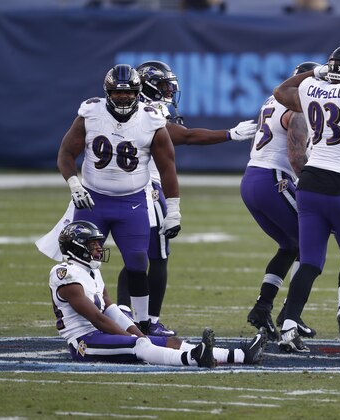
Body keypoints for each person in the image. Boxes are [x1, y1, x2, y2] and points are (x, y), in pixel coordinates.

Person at [115, 60, 257, 337]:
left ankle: (122, 315)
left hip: (125, 187)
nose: (169, 91)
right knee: (157, 257)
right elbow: (187, 136)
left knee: (135, 257)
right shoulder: (148, 110)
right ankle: (150, 320)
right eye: (165, 86)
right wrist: (228, 134)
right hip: (148, 189)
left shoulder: (123, 109)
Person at [56, 64, 181, 336]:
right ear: (107, 93)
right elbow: (66, 152)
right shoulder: (90, 112)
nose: (123, 98)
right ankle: (88, 320)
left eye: (128, 93)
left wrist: (173, 209)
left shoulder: (151, 118)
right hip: (93, 201)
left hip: (132, 202)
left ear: (138, 92)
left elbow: (168, 166)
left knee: (138, 263)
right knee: (80, 263)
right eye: (116, 93)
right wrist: (74, 183)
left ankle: (144, 321)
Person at [49, 220, 267, 367]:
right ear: (76, 247)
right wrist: (133, 338)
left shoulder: (92, 271)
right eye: (92, 244)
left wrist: (137, 332)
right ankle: (193, 358)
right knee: (140, 345)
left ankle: (240, 355)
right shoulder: (65, 274)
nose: (98, 248)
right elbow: (97, 318)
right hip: (85, 343)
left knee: (171, 341)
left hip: (102, 334)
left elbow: (110, 310)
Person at [273, 45, 340, 352]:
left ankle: (288, 326)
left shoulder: (312, 87)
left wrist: (314, 72)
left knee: (311, 262)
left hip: (310, 180)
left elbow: (280, 91)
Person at [243, 62, 319, 341]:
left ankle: (262, 307)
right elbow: (297, 158)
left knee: (291, 245)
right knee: (311, 242)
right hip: (275, 179)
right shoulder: (297, 109)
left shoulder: (270, 101)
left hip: (252, 178)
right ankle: (291, 314)